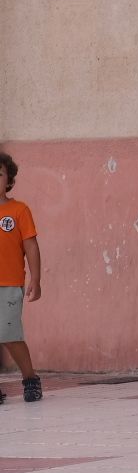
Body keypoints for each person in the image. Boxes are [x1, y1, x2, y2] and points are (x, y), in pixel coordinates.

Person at [0, 153, 42, 404]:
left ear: (9, 180)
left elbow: (31, 246)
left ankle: (30, 379)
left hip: (9, 283)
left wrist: (35, 279)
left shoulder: (19, 210)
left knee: (9, 334)